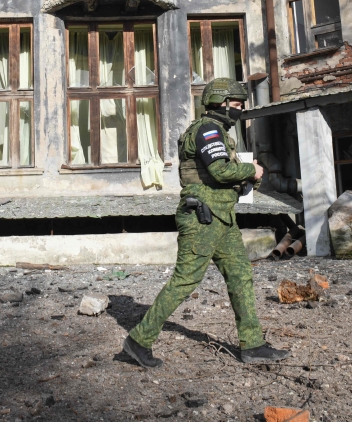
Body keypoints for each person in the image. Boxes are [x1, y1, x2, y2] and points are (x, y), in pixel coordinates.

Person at [122, 78, 291, 368]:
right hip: (202, 217)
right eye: (236, 106)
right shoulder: (208, 130)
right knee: (185, 280)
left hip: (222, 216)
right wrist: (252, 169)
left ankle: (252, 345)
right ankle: (139, 340)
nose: (239, 111)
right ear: (222, 104)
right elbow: (220, 170)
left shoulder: (218, 132)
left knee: (240, 276)